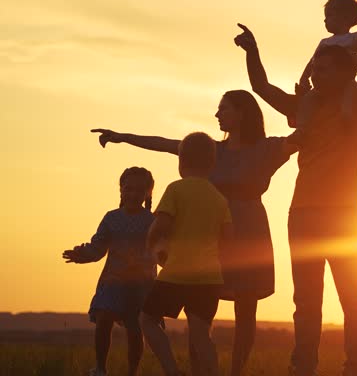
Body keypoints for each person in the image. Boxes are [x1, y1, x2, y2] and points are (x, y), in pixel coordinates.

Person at [91, 89, 296, 376]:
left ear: (242, 113)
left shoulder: (268, 148)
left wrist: (310, 102)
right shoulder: (211, 150)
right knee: (197, 309)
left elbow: (308, 135)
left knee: (246, 310)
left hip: (250, 232)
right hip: (208, 234)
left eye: (223, 109)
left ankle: (236, 372)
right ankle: (198, 370)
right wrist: (123, 136)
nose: (217, 114)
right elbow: (164, 143)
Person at [235, 23, 357, 376]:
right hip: (303, 214)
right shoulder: (305, 106)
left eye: (323, 68)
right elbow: (261, 88)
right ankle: (303, 367)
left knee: (352, 296)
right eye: (314, 67)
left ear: (345, 72)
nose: (314, 73)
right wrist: (252, 51)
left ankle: (356, 366)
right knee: (306, 301)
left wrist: (348, 57)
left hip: (345, 214)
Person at [139, 132, 232, 376]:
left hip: (176, 274)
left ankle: (172, 371)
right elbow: (228, 239)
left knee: (147, 319)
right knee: (201, 334)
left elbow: (160, 227)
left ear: (181, 161)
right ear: (212, 164)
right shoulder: (219, 199)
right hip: (210, 278)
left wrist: (154, 248)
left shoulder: (176, 190)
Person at [62, 167, 158, 376]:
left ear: (147, 193)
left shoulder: (152, 221)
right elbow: (98, 248)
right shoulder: (111, 218)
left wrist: (140, 263)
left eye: (139, 190)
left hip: (140, 285)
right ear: (121, 190)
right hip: (113, 280)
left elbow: (157, 252)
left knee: (134, 328)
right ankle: (100, 368)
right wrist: (82, 255)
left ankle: (132, 371)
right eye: (128, 189)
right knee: (104, 317)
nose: (133, 194)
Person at [282, 0, 357, 139]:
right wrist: (304, 78)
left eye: (329, 16)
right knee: (308, 100)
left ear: (345, 18)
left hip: (346, 83)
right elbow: (312, 62)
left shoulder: (353, 38)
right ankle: (301, 128)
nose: (325, 20)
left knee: (350, 95)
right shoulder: (325, 43)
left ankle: (347, 119)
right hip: (322, 85)